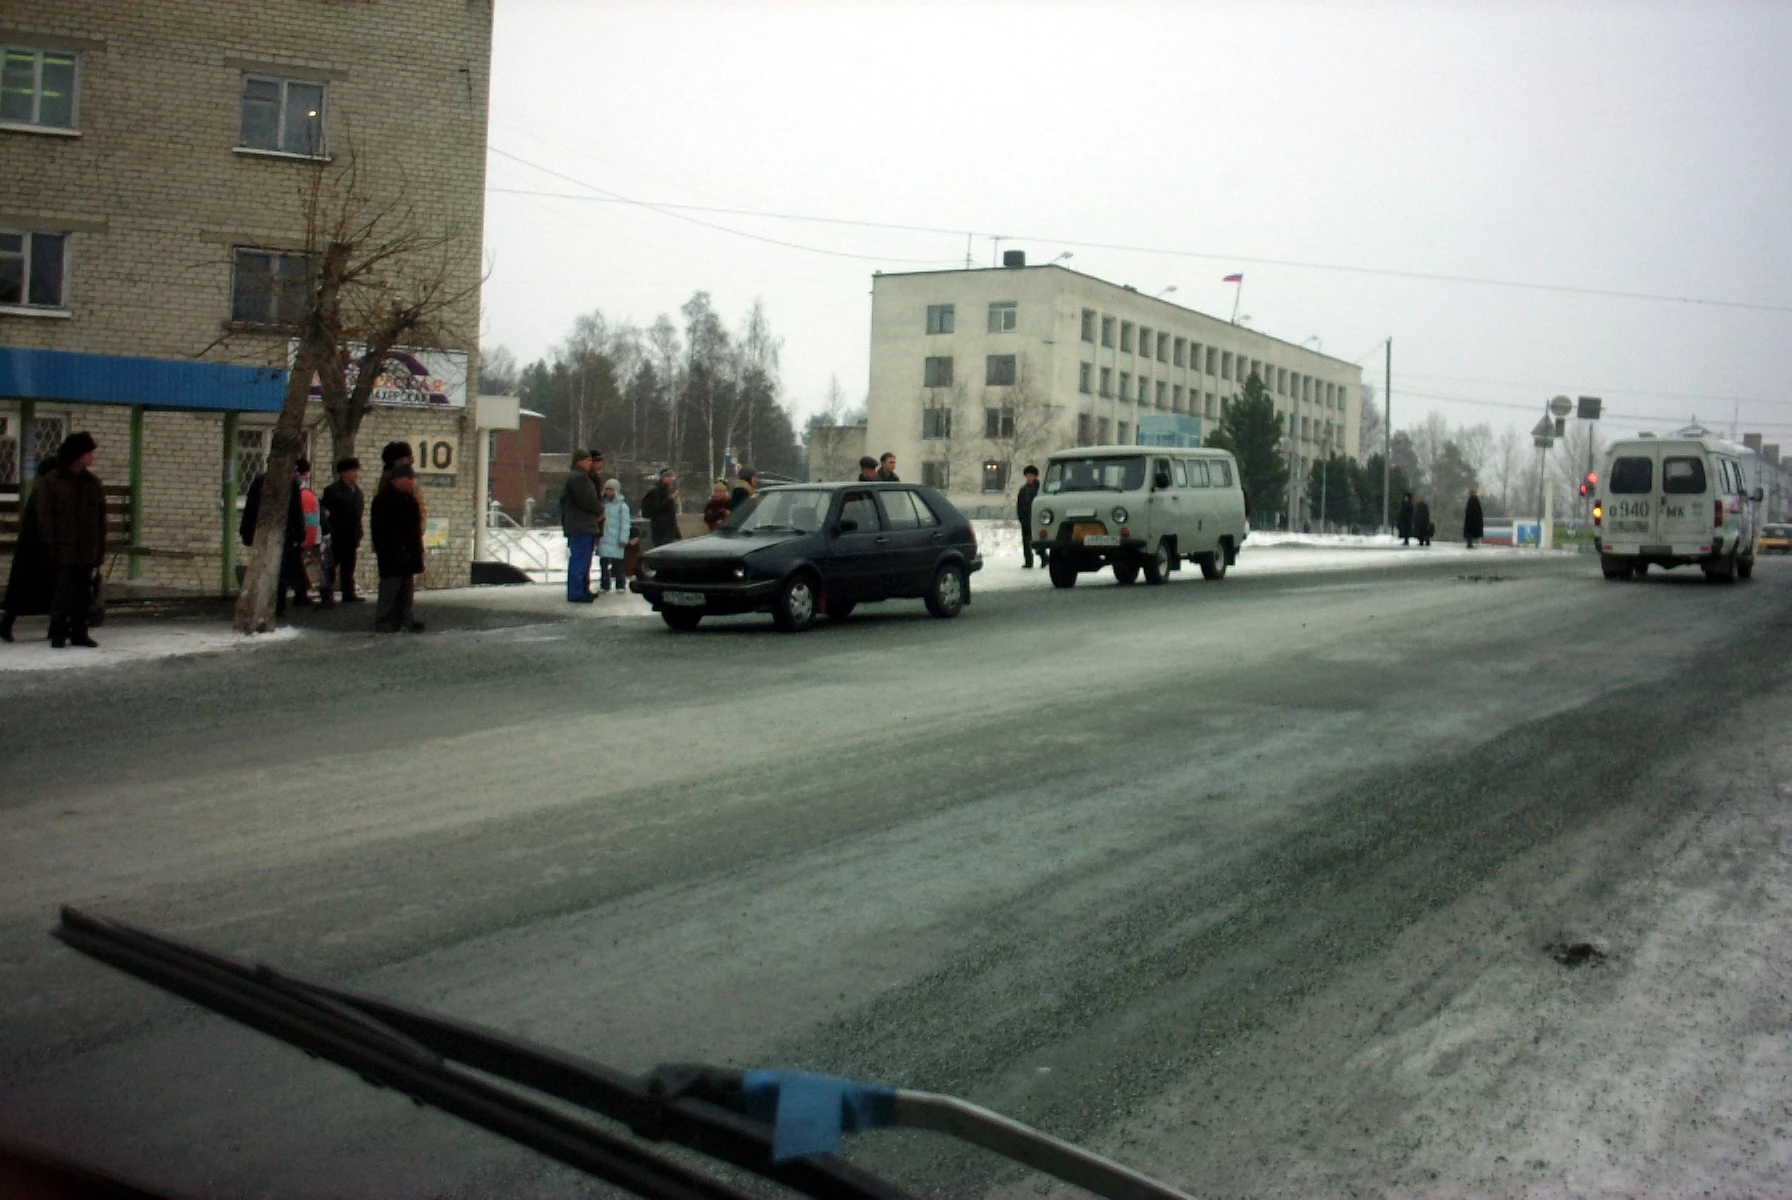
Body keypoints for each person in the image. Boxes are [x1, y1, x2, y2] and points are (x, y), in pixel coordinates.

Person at [36, 432, 106, 649]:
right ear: (78, 455)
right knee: (63, 590)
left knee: (83, 592)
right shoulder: (54, 481)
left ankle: (79, 632)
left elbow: (100, 518)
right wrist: (50, 543)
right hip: (63, 547)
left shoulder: (92, 483)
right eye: (89, 453)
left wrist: (99, 547)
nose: (92, 457)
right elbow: (45, 516)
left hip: (85, 547)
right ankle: (58, 630)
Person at [240, 463, 308, 615]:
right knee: (279, 570)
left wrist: (246, 532)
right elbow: (296, 509)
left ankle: (269, 604)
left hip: (269, 532)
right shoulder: (288, 483)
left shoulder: (262, 481)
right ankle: (276, 604)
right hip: (280, 533)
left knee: (270, 569)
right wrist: (299, 532)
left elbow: (250, 508)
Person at [1, 458, 56, 643]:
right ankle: (54, 627)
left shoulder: (39, 492)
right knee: (51, 587)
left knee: (22, 590)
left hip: (31, 550)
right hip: (38, 550)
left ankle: (7, 623)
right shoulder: (44, 494)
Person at [370, 463, 425, 632]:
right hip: (391, 552)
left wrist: (415, 550)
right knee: (390, 587)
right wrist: (391, 548)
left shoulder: (410, 500)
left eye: (411, 478)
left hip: (409, 552)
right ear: (395, 480)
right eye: (407, 478)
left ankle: (404, 618)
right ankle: (384, 620)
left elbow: (415, 528)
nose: (410, 482)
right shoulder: (383, 500)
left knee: (406, 589)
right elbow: (380, 529)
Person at [560, 449, 605, 603]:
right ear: (579, 461)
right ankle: (576, 591)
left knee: (583, 559)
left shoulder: (578, 476)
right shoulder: (579, 478)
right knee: (580, 558)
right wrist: (600, 510)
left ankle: (581, 589)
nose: (590, 463)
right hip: (582, 523)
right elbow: (587, 500)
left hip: (580, 523)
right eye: (587, 460)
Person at [321, 458, 365, 602]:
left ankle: (348, 593)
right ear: (344, 473)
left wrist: (359, 532)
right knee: (331, 567)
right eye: (353, 471)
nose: (356, 474)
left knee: (349, 567)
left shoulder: (357, 491)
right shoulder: (332, 491)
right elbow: (326, 514)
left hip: (352, 536)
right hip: (337, 536)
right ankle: (327, 595)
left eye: (356, 470)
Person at [295, 459, 334, 608]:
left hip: (307, 538)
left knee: (313, 569)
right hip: (312, 536)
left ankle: (324, 598)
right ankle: (319, 596)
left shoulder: (301, 494)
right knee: (315, 569)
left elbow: (311, 518)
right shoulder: (308, 493)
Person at [596, 478, 634, 593]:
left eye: (611, 490)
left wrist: (623, 539)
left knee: (618, 564)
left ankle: (620, 584)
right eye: (607, 489)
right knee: (603, 563)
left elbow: (625, 524)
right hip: (604, 538)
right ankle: (604, 584)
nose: (609, 492)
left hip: (616, 539)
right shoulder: (603, 505)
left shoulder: (622, 506)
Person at [640, 468, 681, 547]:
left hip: (669, 528)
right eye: (668, 476)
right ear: (663, 478)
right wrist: (670, 499)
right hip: (660, 529)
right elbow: (656, 507)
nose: (671, 479)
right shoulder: (656, 491)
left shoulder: (668, 490)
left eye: (671, 476)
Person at [1016, 464, 1042, 569]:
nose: (1029, 478)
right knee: (1026, 542)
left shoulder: (1039, 489)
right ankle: (1028, 561)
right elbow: (1019, 504)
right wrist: (1021, 517)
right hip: (1025, 519)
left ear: (1035, 476)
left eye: (1031, 475)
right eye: (1027, 476)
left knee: (1037, 540)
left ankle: (1044, 557)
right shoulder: (1023, 489)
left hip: (1035, 518)